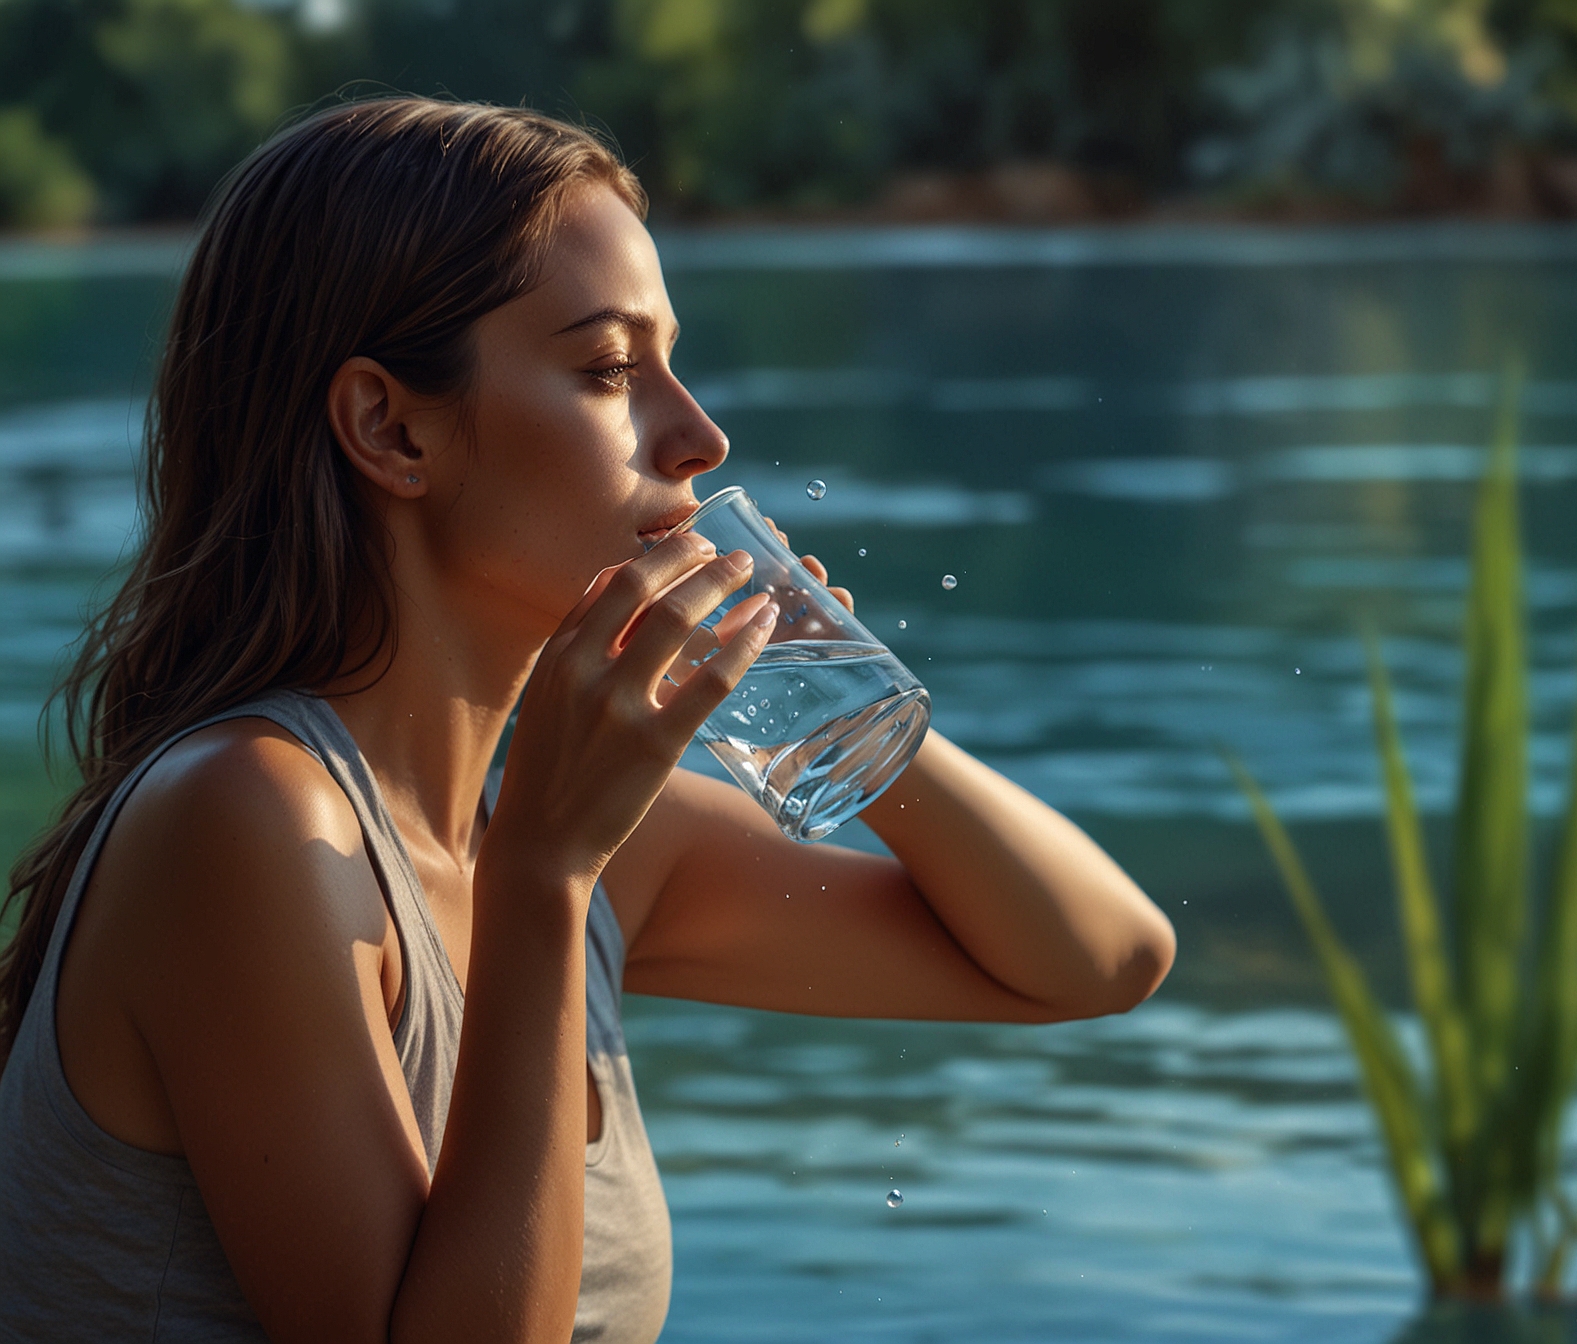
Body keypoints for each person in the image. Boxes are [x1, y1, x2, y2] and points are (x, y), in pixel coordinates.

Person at [0, 97, 1175, 1343]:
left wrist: (848, 705)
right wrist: (545, 880)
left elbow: (1096, 962)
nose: (699, 437)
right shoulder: (250, 821)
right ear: (391, 428)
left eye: (671, 363)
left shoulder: (580, 835)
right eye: (612, 370)